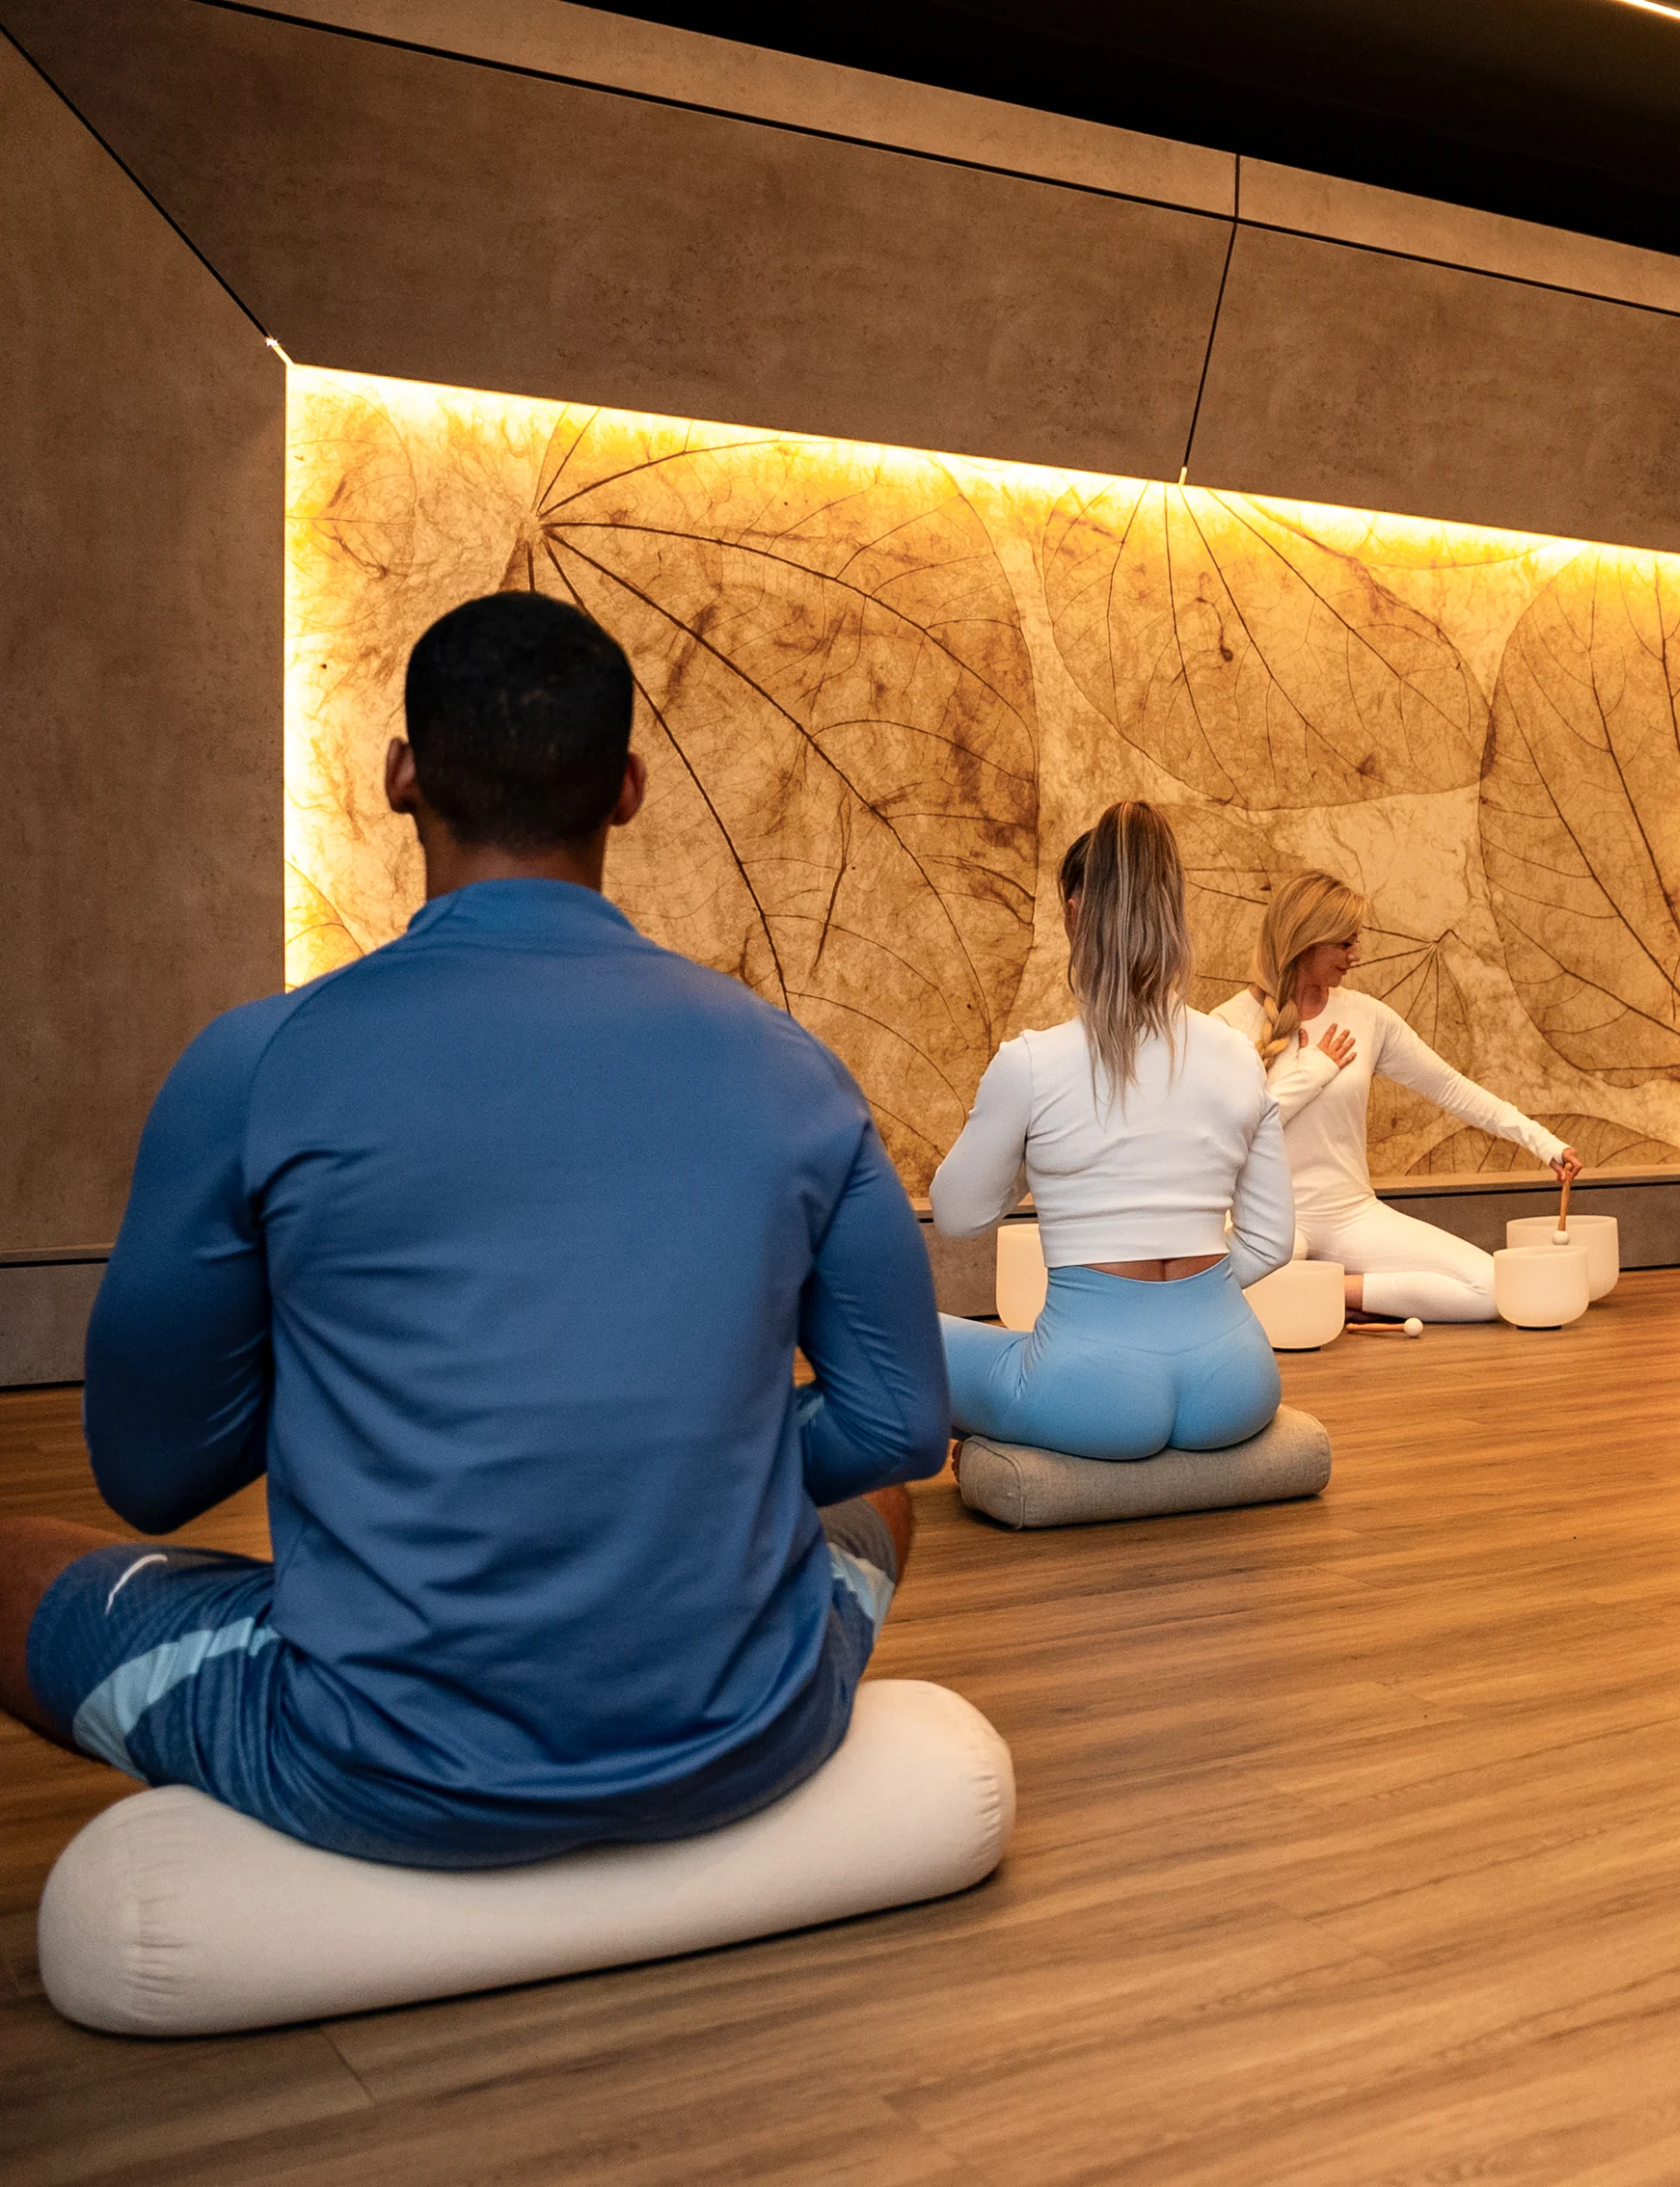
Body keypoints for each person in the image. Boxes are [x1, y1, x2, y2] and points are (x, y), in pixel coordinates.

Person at [0, 592, 950, 1868]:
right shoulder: (798, 1067)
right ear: (626, 788)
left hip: (373, 1765)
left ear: (401, 775)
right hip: (751, 1737)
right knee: (882, 1495)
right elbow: (899, 1424)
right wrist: (682, 1462)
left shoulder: (254, 1063)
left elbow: (150, 1475)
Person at [934, 802, 1294, 1460]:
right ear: (1175, 913)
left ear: (1076, 913)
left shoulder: (1031, 1063)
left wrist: (1030, 1158)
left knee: (881, 1330)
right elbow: (1272, 1243)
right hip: (1237, 1381)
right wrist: (1185, 1305)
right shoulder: (1240, 1053)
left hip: (1089, 1392)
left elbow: (957, 1216)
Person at [1212, 870, 1578, 1325]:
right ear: (1308, 941)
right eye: (1345, 943)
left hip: (1350, 1216)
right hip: (1266, 1225)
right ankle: (1314, 1292)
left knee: (1489, 1287)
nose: (1355, 955)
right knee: (1207, 1296)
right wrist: (1315, 1073)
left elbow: (1449, 1086)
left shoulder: (1367, 1018)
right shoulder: (1225, 1024)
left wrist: (1542, 1142)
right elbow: (1234, 1129)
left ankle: (1334, 1291)